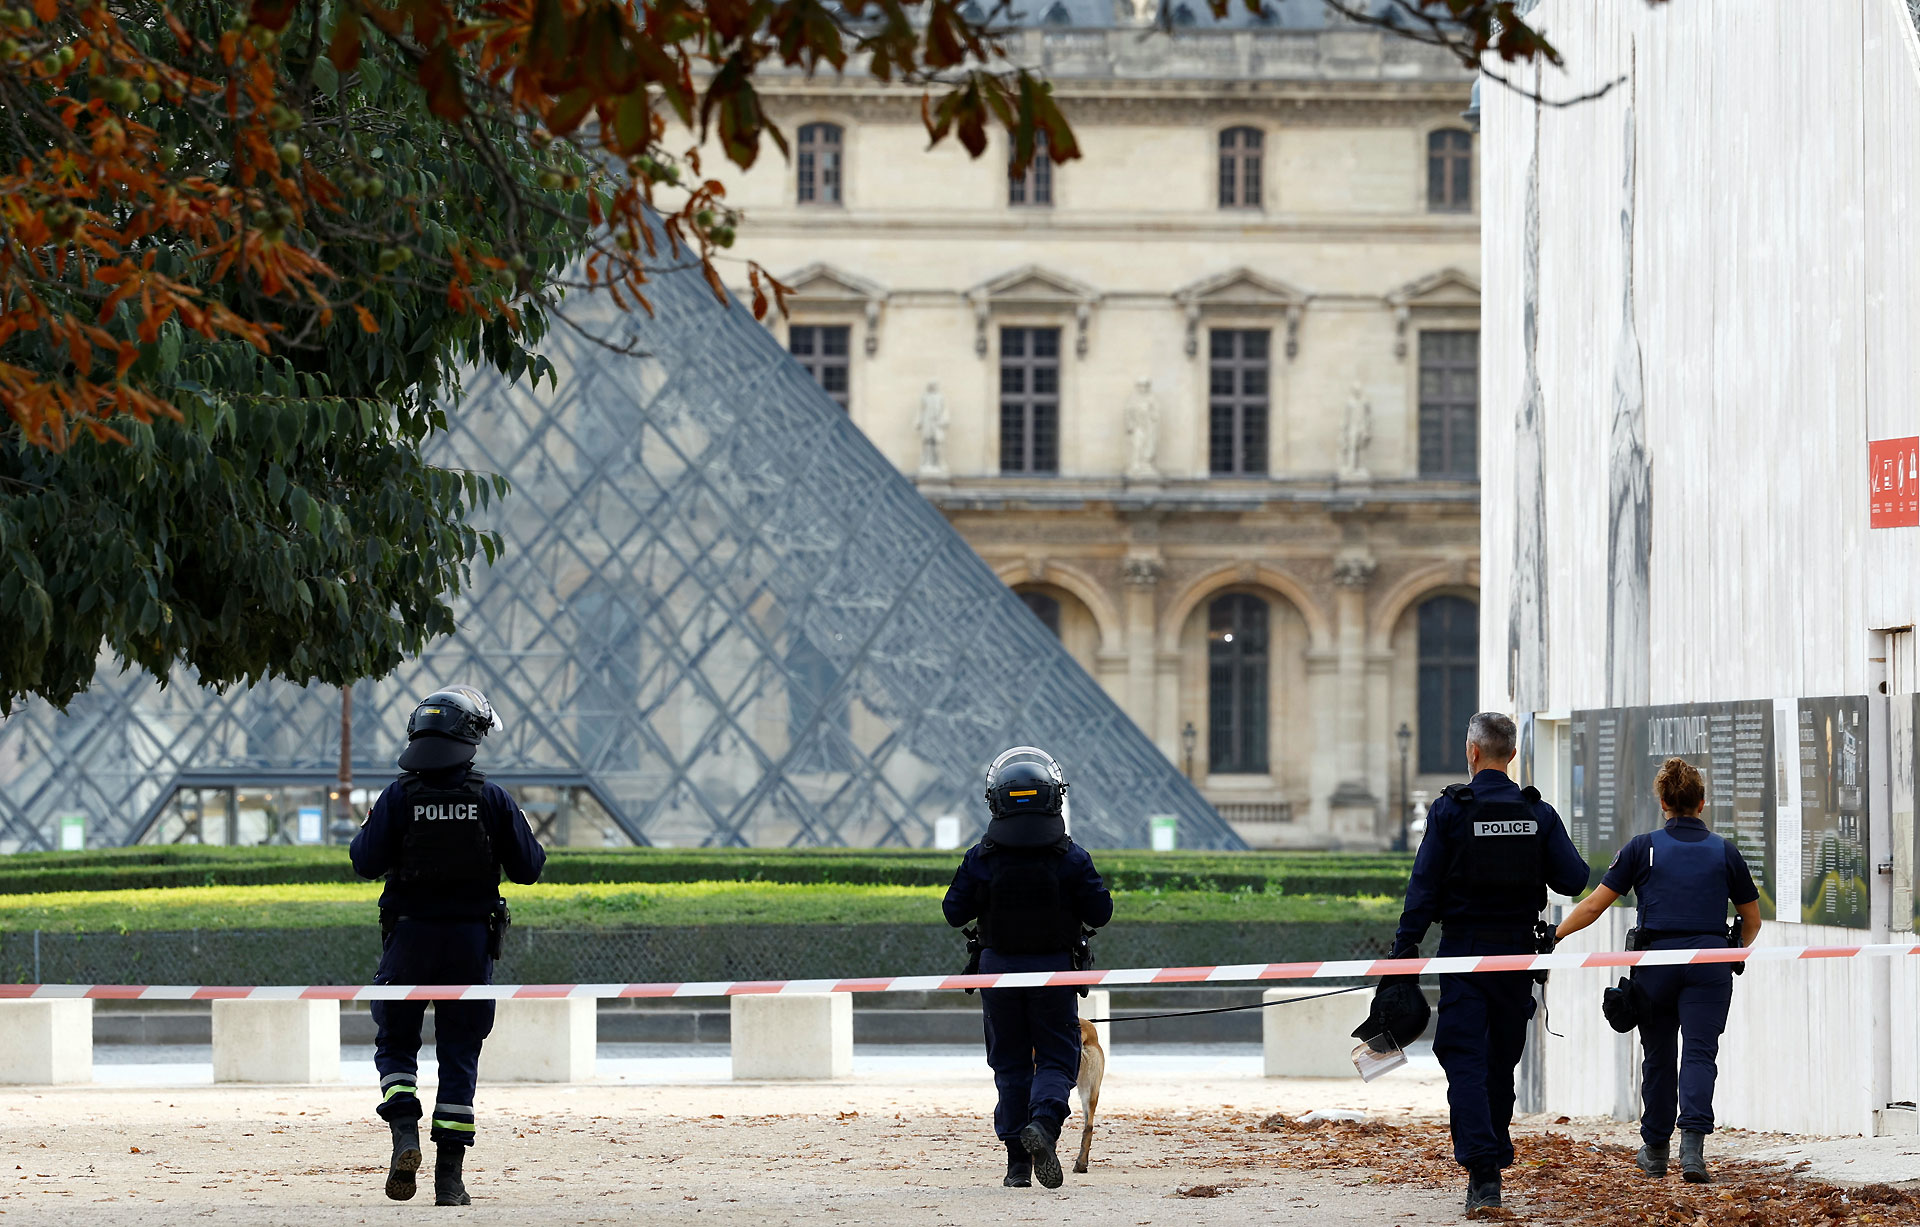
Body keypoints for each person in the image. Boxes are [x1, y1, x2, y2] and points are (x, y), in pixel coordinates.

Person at [349, 685, 547, 1206]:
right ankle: (450, 1182)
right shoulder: (492, 797)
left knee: (395, 1046)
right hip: (467, 944)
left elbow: (364, 861)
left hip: (408, 939)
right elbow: (530, 868)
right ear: (471, 737)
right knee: (459, 1056)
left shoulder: (397, 796)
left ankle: (404, 1135)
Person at [1390, 711, 1590, 1215]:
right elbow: (1573, 879)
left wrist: (1403, 950)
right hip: (1517, 955)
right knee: (1500, 1063)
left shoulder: (1451, 810)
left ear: (1472, 753)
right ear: (1513, 755)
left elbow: (1424, 887)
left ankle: (1484, 1173)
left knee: (1464, 1060)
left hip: (1464, 952)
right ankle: (1491, 1161)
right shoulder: (1537, 813)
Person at [1554, 756, 1761, 1184]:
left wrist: (1554, 935)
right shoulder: (1725, 851)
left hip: (1656, 965)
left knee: (1659, 1057)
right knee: (1701, 1055)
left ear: (1662, 801)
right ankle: (1693, 1153)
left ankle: (1654, 1151)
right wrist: (1733, 950)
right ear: (1701, 803)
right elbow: (1752, 920)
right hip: (1709, 965)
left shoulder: (1641, 847)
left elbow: (1594, 906)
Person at [943, 747, 1112, 1191]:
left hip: (997, 972)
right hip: (1054, 972)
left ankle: (1017, 1163)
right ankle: (1044, 1125)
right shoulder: (1071, 857)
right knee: (1057, 1058)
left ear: (994, 801)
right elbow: (1101, 911)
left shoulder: (981, 857)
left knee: (1011, 1065)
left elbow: (953, 912)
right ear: (1054, 798)